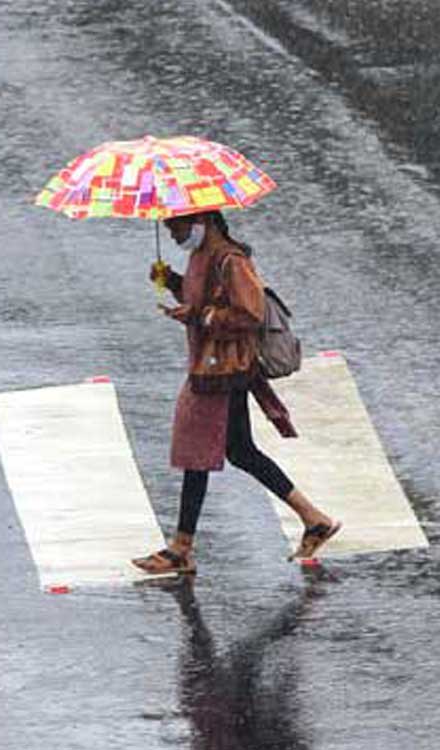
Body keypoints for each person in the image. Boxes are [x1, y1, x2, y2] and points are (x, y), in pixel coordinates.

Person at [131, 210, 341, 575]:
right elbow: (202, 299)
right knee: (238, 451)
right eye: (169, 227)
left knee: (199, 452)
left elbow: (249, 313)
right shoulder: (202, 256)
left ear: (204, 221)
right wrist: (172, 282)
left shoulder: (232, 260)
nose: (173, 235)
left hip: (224, 370)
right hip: (214, 368)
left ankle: (181, 548)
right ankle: (313, 519)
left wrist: (201, 317)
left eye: (177, 226)